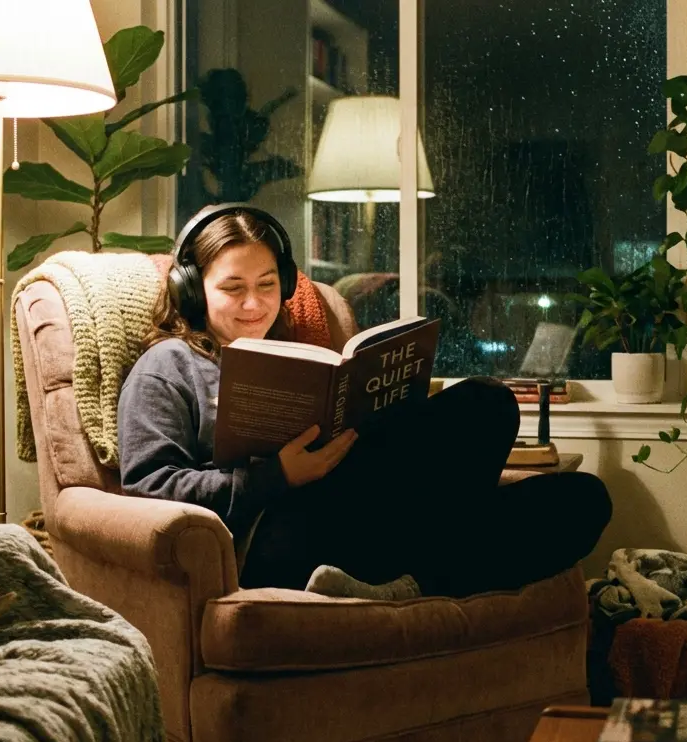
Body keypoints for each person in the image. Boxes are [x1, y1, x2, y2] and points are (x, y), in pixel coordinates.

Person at [118, 203, 612, 599]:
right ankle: (423, 574)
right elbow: (147, 488)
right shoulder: (167, 367)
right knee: (493, 500)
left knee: (557, 475)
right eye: (233, 288)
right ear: (192, 292)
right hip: (279, 533)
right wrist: (279, 476)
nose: (254, 304)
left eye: (267, 285)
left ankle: (405, 586)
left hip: (369, 518)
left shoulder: (304, 355)